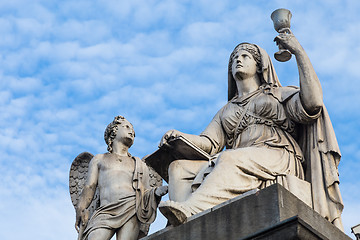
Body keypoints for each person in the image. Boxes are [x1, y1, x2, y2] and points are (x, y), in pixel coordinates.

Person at [158, 30, 344, 230]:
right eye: (234, 58)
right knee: (178, 169)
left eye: (245, 56)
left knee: (229, 158)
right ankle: (180, 228)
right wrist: (179, 137)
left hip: (278, 155)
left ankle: (191, 210)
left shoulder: (277, 94)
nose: (238, 59)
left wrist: (298, 52)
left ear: (259, 65)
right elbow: (209, 143)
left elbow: (313, 103)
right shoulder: (226, 110)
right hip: (240, 159)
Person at [75, 116, 168, 240]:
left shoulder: (140, 164)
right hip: (105, 211)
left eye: (133, 130)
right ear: (113, 132)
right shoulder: (99, 159)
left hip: (132, 208)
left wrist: (155, 192)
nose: (131, 131)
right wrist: (81, 208)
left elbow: (144, 194)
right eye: (127, 127)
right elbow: (89, 187)